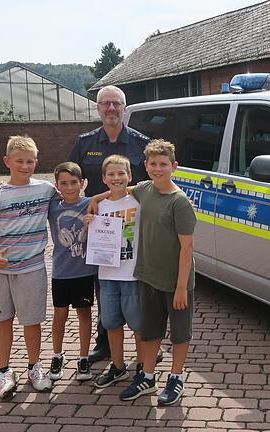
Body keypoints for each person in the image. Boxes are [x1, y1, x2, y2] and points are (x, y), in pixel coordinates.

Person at [68, 85, 149, 363]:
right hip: (100, 233)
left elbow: (153, 183)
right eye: (106, 104)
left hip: (134, 229)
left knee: (136, 288)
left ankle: (146, 343)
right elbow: (68, 180)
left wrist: (101, 195)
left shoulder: (141, 142)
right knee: (104, 288)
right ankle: (104, 344)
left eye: (116, 104)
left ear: (124, 108)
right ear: (98, 108)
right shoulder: (84, 143)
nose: (111, 109)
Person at [118, 140, 197, 406]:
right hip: (148, 277)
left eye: (163, 164)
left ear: (174, 166)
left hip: (175, 282)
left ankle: (176, 377)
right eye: (153, 164)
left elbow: (187, 247)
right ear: (145, 166)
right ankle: (148, 377)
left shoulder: (180, 202)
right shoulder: (144, 189)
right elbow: (120, 191)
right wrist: (93, 201)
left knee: (179, 333)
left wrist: (181, 287)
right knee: (150, 331)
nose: (157, 168)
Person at [0, 135, 55, 398]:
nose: (25, 166)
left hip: (32, 269)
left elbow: (72, 194)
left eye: (30, 161)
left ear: (36, 162)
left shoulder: (46, 189)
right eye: (19, 161)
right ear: (7, 161)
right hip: (0, 271)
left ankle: (34, 367)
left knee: (32, 321)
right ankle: (2, 370)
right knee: (2, 319)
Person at [82, 155, 144, 389]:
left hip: (132, 275)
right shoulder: (99, 207)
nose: (116, 178)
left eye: (121, 173)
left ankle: (142, 367)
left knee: (138, 325)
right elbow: (92, 241)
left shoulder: (137, 201)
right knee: (111, 324)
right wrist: (88, 224)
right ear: (103, 178)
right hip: (107, 275)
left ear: (129, 176)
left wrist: (100, 194)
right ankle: (118, 367)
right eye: (111, 174)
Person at [46, 162, 97, 383]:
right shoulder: (52, 206)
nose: (69, 187)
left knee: (84, 314)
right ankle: (57, 355)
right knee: (59, 315)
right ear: (57, 185)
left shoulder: (90, 204)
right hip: (61, 272)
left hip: (84, 272)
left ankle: (83, 357)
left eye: (74, 183)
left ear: (82, 183)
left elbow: (115, 192)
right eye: (63, 183)